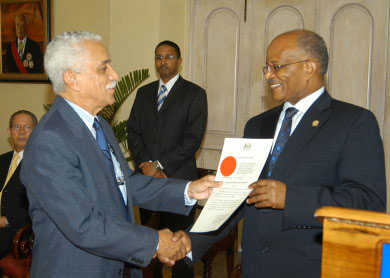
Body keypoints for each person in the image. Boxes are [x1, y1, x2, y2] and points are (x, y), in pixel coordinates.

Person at [187, 29, 386, 278]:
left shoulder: (353, 122)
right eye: (266, 67)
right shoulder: (257, 125)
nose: (269, 75)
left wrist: (291, 198)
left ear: (309, 67)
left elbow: (368, 203)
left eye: (277, 66)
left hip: (311, 268)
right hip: (255, 268)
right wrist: (188, 243)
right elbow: (237, 197)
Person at [20, 31, 220, 278]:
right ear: (72, 79)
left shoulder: (99, 125)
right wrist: (155, 242)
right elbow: (83, 226)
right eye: (104, 68)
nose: (115, 75)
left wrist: (187, 190)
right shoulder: (50, 141)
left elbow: (126, 183)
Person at [127, 40, 207, 278]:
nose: (163, 61)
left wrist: (160, 165)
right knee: (148, 248)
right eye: (159, 57)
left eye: (169, 57)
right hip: (146, 182)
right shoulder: (143, 93)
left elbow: (193, 139)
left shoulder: (194, 94)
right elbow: (134, 132)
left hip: (179, 181)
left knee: (179, 250)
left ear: (179, 61)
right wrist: (145, 165)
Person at [0, 110, 37, 272]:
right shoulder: (2, 159)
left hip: (18, 232)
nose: (21, 132)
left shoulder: (40, 163)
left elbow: (41, 204)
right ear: (9, 131)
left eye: (27, 127)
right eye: (17, 127)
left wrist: (7, 219)